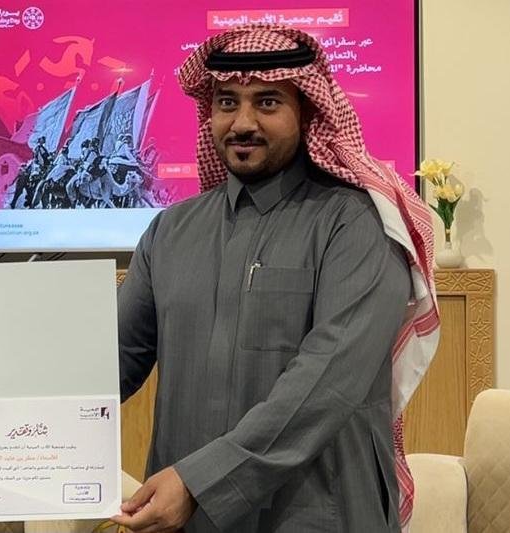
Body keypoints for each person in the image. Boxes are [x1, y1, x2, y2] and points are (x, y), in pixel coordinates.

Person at [111, 25, 440, 532]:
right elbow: (108, 365)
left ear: (306, 111)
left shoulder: (356, 225)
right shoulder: (171, 231)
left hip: (319, 516)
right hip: (188, 520)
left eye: (267, 102)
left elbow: (327, 383)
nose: (243, 123)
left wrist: (200, 483)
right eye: (227, 103)